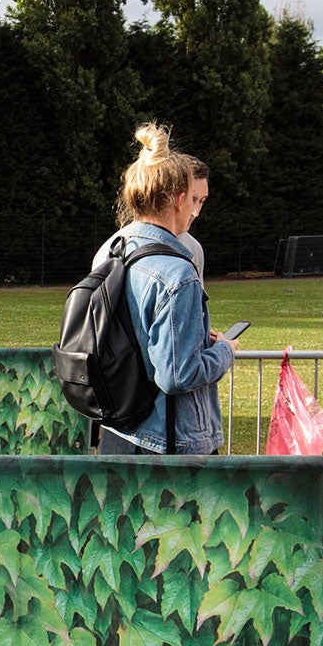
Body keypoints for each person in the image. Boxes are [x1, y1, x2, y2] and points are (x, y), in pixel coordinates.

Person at [93, 128, 233, 456]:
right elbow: (176, 374)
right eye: (194, 200)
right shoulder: (177, 274)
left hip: (119, 428)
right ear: (179, 199)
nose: (196, 211)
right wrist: (225, 351)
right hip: (169, 441)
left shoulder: (113, 251)